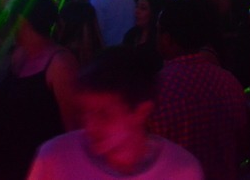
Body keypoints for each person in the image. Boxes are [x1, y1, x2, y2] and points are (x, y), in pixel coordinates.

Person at [27, 46, 203, 180]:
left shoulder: (181, 171)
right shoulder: (54, 158)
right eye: (86, 112)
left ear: (141, 111)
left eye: (103, 114)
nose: (90, 126)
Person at [148, 0, 246, 180]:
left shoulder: (158, 88)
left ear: (167, 38)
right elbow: (241, 143)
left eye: (158, 31)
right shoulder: (229, 83)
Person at [0, 0, 80, 180]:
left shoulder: (60, 64)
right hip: (7, 163)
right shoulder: (20, 55)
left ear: (21, 21)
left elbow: (73, 128)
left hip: (40, 167)